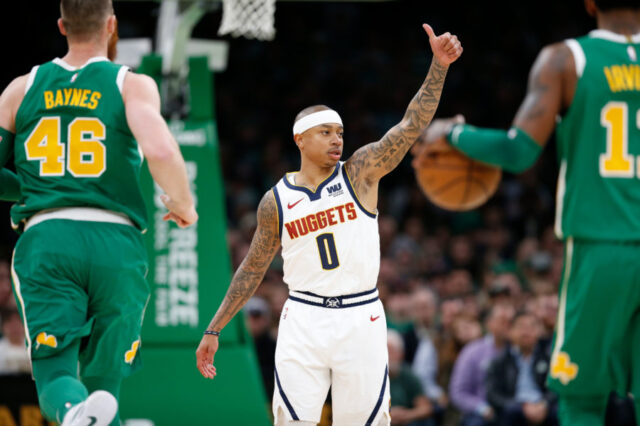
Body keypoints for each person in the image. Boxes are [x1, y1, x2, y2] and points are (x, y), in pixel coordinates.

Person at [196, 24, 462, 425]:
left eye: (340, 132)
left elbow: (410, 126)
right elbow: (252, 268)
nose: (337, 140)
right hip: (303, 317)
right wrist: (214, 329)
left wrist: (438, 67)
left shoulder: (359, 173)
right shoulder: (277, 199)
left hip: (361, 315)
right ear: (300, 139)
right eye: (326, 133)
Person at [415, 0, 640, 423]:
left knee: (580, 395)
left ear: (589, 3)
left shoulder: (566, 59)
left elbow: (518, 151)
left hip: (601, 247)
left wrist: (453, 131)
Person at [0, 1, 197, 425]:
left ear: (61, 26)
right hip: (116, 240)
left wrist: (34, 189)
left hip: (48, 237)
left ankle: (73, 413)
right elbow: (161, 149)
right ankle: (93, 414)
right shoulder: (132, 84)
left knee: (55, 372)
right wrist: (182, 202)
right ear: (112, 26)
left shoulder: (20, 88)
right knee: (106, 378)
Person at [485, 312, 557, 426]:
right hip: (514, 407)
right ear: (510, 331)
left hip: (542, 406)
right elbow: (492, 394)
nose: (526, 331)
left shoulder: (549, 358)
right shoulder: (499, 362)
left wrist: (544, 403)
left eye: (532, 326)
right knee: (510, 413)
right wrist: (521, 406)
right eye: (521, 326)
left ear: (539, 330)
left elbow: (556, 387)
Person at [449, 303, 515, 426]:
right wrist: (481, 407)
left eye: (511, 321)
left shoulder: (517, 351)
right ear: (489, 323)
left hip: (511, 409)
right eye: (502, 321)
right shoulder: (472, 351)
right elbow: (458, 392)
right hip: (480, 412)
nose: (507, 325)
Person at [388, 329, 435, 426]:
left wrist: (406, 415)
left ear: (401, 354)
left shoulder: (408, 375)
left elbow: (426, 408)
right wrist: (387, 414)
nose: (387, 355)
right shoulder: (370, 378)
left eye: (391, 351)